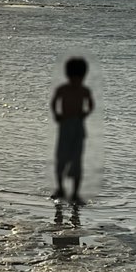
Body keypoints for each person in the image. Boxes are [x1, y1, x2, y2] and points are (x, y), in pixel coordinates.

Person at [51, 57, 95, 204]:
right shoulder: (62, 89)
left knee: (77, 160)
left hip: (77, 126)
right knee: (61, 159)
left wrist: (85, 113)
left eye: (80, 78)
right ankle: (60, 188)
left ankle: (75, 193)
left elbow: (90, 104)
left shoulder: (84, 90)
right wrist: (57, 114)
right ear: (69, 76)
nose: (77, 81)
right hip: (64, 126)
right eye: (74, 78)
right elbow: (54, 101)